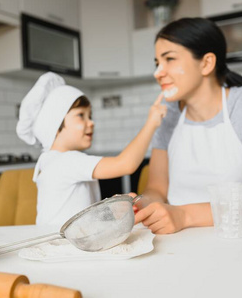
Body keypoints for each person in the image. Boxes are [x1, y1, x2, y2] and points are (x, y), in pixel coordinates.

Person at [134, 18, 242, 234]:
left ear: (206, 63)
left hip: (237, 239)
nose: (158, 72)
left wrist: (184, 215)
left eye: (169, 59)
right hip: (177, 239)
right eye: (157, 63)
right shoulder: (168, 113)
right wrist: (140, 203)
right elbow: (157, 189)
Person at [16, 72, 166, 226]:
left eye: (90, 115)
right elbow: (126, 164)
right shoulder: (66, 161)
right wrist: (152, 123)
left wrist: (110, 209)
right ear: (55, 125)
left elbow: (80, 215)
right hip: (63, 246)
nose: (91, 122)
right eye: (81, 115)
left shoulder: (52, 160)